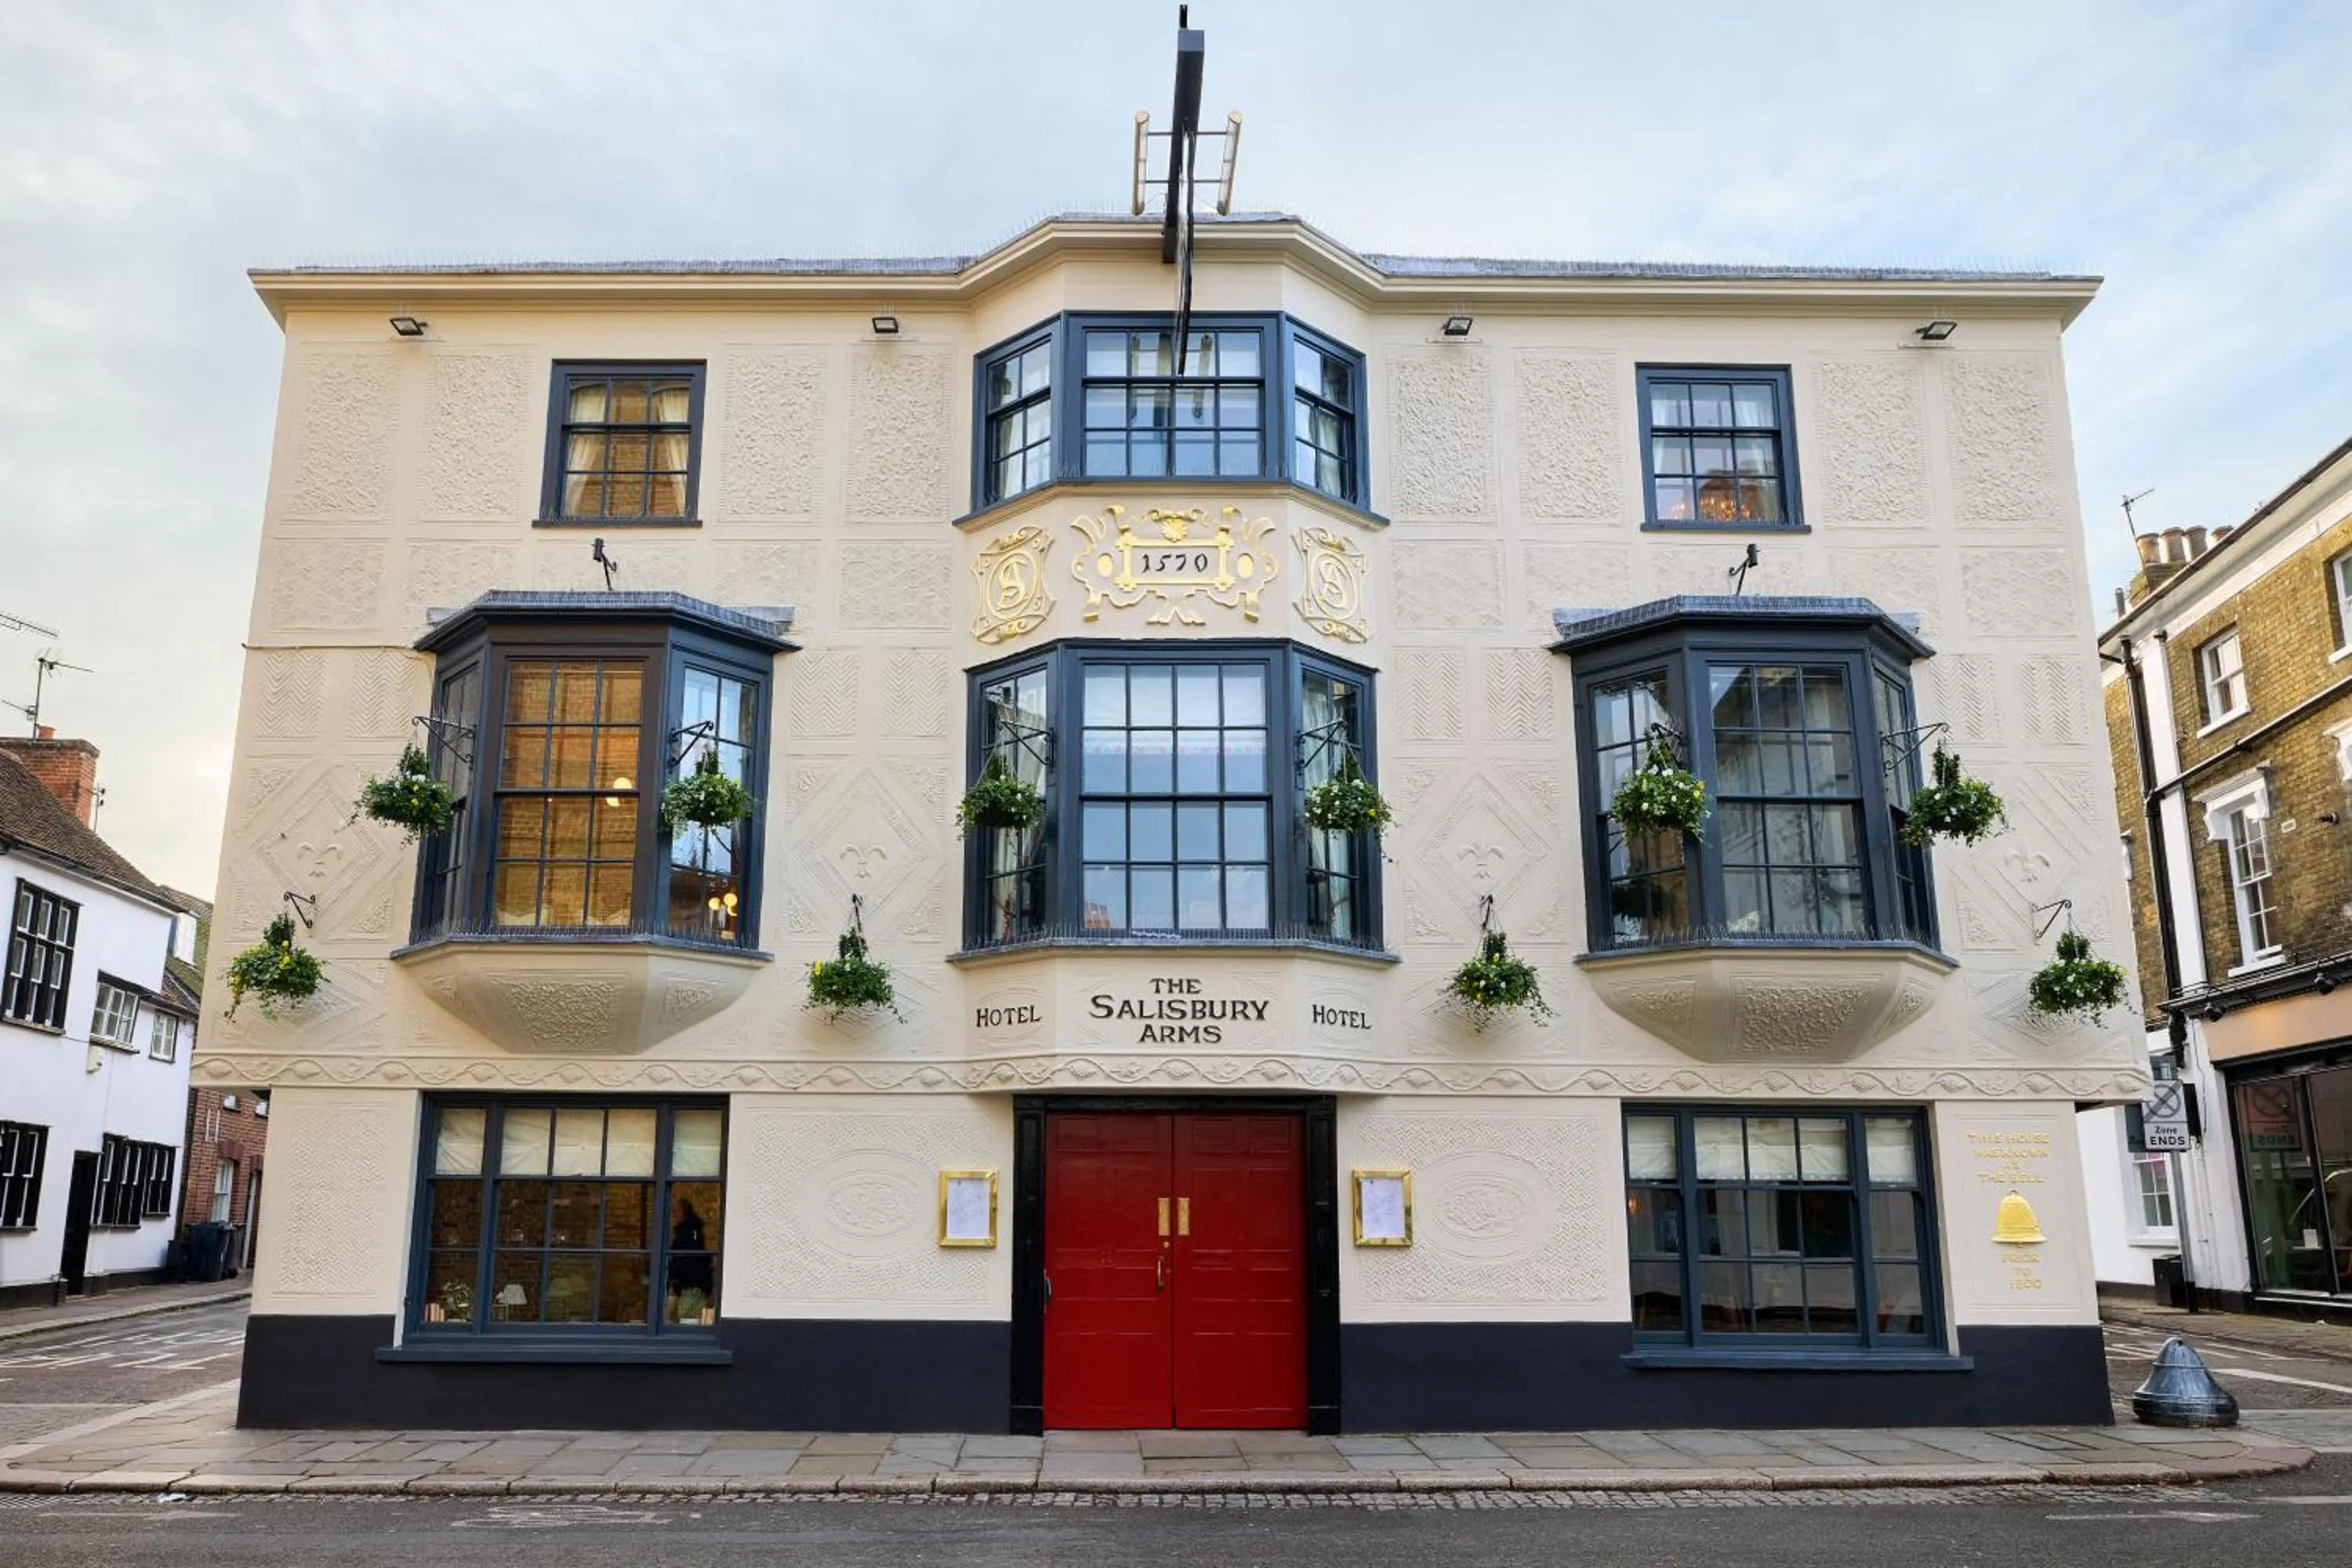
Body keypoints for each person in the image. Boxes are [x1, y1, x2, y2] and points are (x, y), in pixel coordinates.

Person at [669, 1196, 714, 1305]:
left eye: (676, 1211)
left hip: (690, 1285)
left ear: (685, 1212)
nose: (674, 1215)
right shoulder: (690, 1231)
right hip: (688, 1284)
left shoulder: (688, 1233)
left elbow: (686, 1259)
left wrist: (674, 1274)